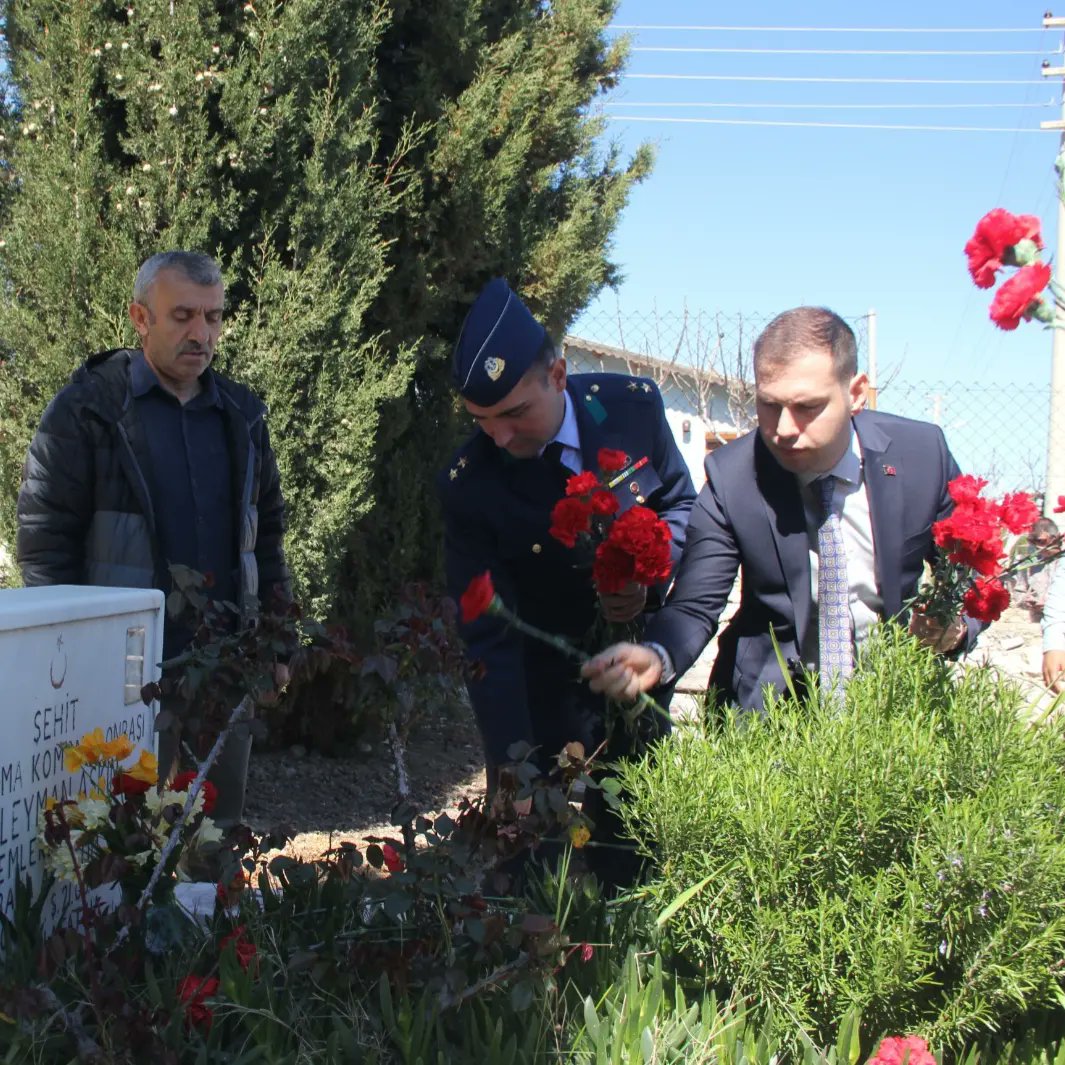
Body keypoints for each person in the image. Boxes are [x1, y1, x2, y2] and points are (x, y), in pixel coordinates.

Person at [582, 305, 980, 710]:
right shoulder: (732, 476)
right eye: (769, 405)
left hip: (895, 710)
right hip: (767, 712)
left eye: (808, 407)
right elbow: (696, 601)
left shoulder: (922, 455)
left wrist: (957, 628)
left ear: (856, 393)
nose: (784, 429)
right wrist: (659, 654)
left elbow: (977, 571)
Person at [16, 250, 290, 826]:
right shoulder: (87, 413)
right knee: (123, 848)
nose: (202, 334)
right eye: (183, 316)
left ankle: (212, 919)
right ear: (140, 319)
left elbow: (266, 541)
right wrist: (66, 661)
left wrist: (277, 640)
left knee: (213, 844)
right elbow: (44, 544)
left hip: (223, 672)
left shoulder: (243, 418)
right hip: (122, 684)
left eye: (213, 317)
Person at [439, 279, 696, 863]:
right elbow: (487, 638)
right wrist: (512, 763)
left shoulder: (632, 411)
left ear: (557, 375)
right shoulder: (472, 483)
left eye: (514, 413)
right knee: (535, 872)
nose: (499, 437)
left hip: (635, 675)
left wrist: (650, 569)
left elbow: (681, 505)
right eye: (481, 420)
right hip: (543, 690)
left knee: (635, 852)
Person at [1013, 516, 1059, 623]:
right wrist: (1026, 601)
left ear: (1054, 538)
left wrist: (1050, 602)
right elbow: (1019, 590)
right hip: (1041, 622)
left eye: (1041, 541)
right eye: (1032, 541)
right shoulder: (1028, 561)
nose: (1037, 546)